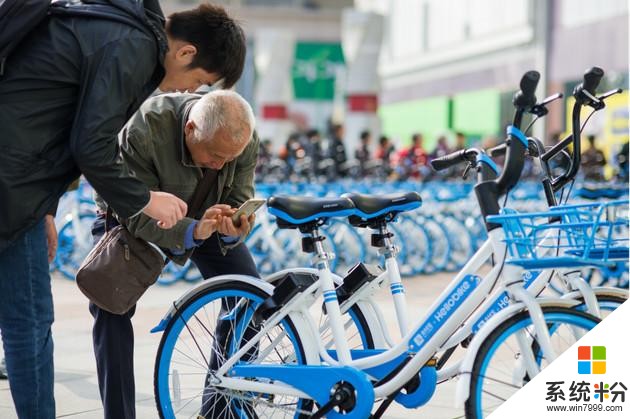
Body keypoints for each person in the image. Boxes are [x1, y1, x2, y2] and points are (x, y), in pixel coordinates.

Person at [0, 2, 246, 417]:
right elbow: (90, 146)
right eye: (198, 80)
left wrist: (45, 209)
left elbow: (49, 121)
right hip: (11, 183)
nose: (190, 92)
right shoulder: (132, 48)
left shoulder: (121, 31)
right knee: (30, 323)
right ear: (185, 53)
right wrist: (149, 199)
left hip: (20, 186)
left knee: (28, 321)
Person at [90, 90, 259, 419]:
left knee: (250, 296)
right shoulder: (144, 129)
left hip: (206, 219)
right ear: (190, 129)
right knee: (110, 309)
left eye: (229, 157)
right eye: (214, 155)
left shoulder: (241, 137)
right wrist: (192, 230)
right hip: (131, 218)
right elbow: (134, 212)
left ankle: (220, 410)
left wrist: (234, 224)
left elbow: (240, 195)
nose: (221, 164)